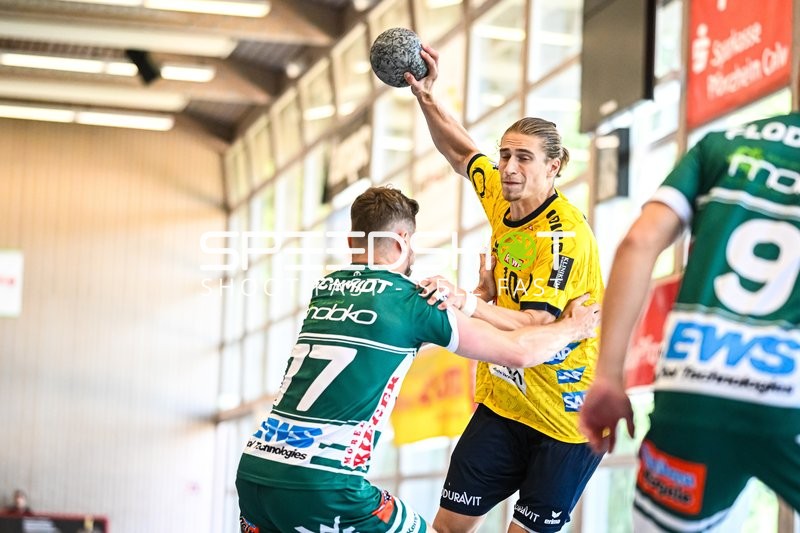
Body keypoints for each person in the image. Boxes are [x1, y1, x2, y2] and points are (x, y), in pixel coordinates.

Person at [235, 186, 600, 532]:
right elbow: (520, 352)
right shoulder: (411, 300)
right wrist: (573, 328)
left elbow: (389, 331)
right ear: (402, 241)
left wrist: (478, 295)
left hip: (255, 473)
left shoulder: (326, 290)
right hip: (325, 482)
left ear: (351, 242)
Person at [406, 45, 605, 532]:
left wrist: (468, 301)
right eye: (505, 155)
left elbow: (534, 324)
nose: (510, 167)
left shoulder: (562, 236)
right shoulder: (501, 191)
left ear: (554, 167)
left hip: (564, 419)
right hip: (505, 404)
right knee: (447, 527)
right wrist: (427, 97)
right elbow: (460, 152)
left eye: (524, 159)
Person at [579, 103, 800, 530]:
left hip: (693, 383)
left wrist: (608, 376)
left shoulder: (722, 145)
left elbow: (638, 243)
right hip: (789, 394)